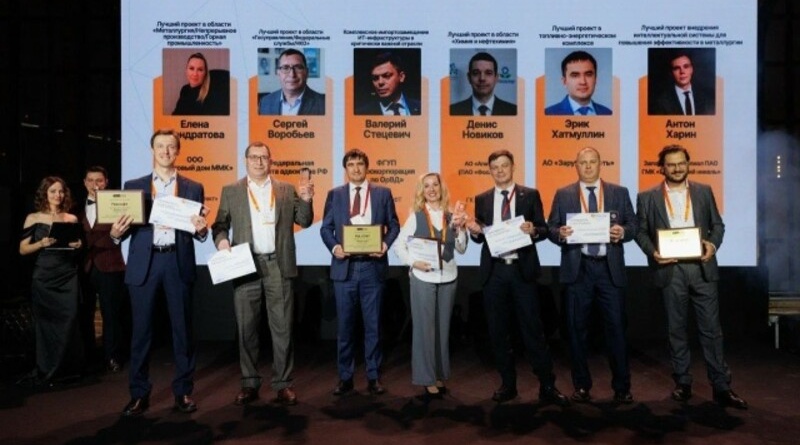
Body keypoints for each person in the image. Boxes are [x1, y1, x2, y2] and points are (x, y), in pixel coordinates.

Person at [635, 144, 747, 409]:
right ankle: (683, 383)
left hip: (701, 267)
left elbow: (717, 225)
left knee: (712, 330)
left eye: (681, 163)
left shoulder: (703, 191)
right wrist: (653, 252)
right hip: (670, 269)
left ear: (688, 164)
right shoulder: (647, 197)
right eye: (671, 164)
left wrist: (712, 245)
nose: (677, 168)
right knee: (676, 330)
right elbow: (640, 232)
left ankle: (721, 387)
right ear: (662, 168)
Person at [110, 129, 209, 416]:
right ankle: (139, 394)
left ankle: (183, 392)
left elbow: (198, 232)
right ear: (152, 150)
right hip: (145, 263)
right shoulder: (134, 186)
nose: (166, 151)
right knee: (140, 332)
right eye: (161, 146)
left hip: (177, 262)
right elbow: (124, 229)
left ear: (178, 151)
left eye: (171, 146)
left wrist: (202, 230)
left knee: (182, 332)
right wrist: (115, 234)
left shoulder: (193, 187)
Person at [211, 142, 314, 406]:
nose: (259, 162)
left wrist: (306, 199)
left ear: (271, 161)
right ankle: (249, 383)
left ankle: (283, 384)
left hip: (279, 264)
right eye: (254, 157)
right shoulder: (231, 191)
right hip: (246, 265)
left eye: (263, 157)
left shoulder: (286, 189)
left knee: (283, 328)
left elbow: (304, 221)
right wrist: (222, 242)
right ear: (245, 160)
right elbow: (220, 225)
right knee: (246, 328)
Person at [465, 149, 569, 406]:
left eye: (504, 166)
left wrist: (533, 230)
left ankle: (547, 385)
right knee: (498, 331)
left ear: (513, 167)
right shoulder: (482, 199)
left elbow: (544, 229)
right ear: (490, 171)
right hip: (495, 271)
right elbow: (480, 237)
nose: (500, 171)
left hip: (522, 271)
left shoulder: (529, 195)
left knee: (533, 330)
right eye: (495, 167)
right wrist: (475, 232)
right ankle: (508, 384)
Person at [546, 147, 635, 404]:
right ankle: (582, 386)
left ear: (600, 163)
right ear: (576, 165)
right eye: (582, 162)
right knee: (576, 331)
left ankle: (622, 387)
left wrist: (623, 232)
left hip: (609, 269)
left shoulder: (619, 192)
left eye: (592, 161)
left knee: (616, 330)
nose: (587, 166)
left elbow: (634, 224)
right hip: (579, 270)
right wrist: (560, 233)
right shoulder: (563, 194)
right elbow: (551, 228)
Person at [320, 148, 400, 395]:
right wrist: (335, 247)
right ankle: (345, 377)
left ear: (367, 167)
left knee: (373, 326)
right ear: (345, 169)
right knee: (345, 328)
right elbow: (326, 228)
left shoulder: (382, 193)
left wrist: (384, 245)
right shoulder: (335, 195)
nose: (355, 168)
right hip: (345, 268)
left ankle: (373, 376)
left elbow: (394, 225)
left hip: (372, 268)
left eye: (360, 164)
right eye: (351, 164)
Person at [392, 173, 468, 398]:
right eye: (427, 186)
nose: (432, 189)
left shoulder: (451, 215)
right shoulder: (416, 216)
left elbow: (462, 248)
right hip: (423, 278)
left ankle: (439, 374)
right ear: (422, 191)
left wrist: (461, 228)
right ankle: (426, 378)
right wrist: (413, 262)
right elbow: (399, 246)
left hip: (448, 277)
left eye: (435, 185)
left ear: (442, 189)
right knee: (425, 330)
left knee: (442, 330)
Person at [19, 176, 84, 386]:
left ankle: (67, 369)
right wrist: (41, 243)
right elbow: (23, 249)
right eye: (53, 191)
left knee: (69, 319)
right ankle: (47, 368)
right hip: (44, 276)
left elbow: (77, 246)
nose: (58, 195)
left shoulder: (71, 218)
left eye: (61, 191)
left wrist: (78, 246)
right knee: (46, 323)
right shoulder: (33, 217)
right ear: (45, 194)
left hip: (67, 274)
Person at [77, 166, 127, 374]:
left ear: (106, 182)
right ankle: (88, 356)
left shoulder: (118, 205)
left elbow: (125, 234)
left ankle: (112, 357)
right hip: (84, 267)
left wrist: (115, 236)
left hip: (110, 264)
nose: (94, 184)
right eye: (90, 180)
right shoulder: (75, 208)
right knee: (84, 313)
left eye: (99, 180)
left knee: (111, 314)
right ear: (84, 183)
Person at [258, 48, 325, 116]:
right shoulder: (265, 102)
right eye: (285, 68)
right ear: (278, 73)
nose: (292, 74)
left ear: (306, 73)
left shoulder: (324, 104)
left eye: (298, 68)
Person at [545, 50, 612, 116]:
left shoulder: (608, 113)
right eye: (575, 76)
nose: (583, 82)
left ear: (595, 79)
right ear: (564, 81)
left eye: (588, 74)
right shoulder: (548, 114)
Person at [450, 52, 517, 116]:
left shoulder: (513, 111)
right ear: (469, 78)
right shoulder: (452, 111)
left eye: (488, 73)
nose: (482, 78)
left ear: (496, 78)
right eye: (476, 73)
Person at [355, 51, 421, 116]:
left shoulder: (421, 107)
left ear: (401, 77)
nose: (380, 82)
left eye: (387, 76)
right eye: (375, 78)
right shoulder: (361, 113)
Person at [650, 51, 715, 116]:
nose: (682, 71)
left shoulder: (707, 98)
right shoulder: (661, 103)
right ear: (671, 73)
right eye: (676, 68)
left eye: (686, 66)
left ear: (691, 69)